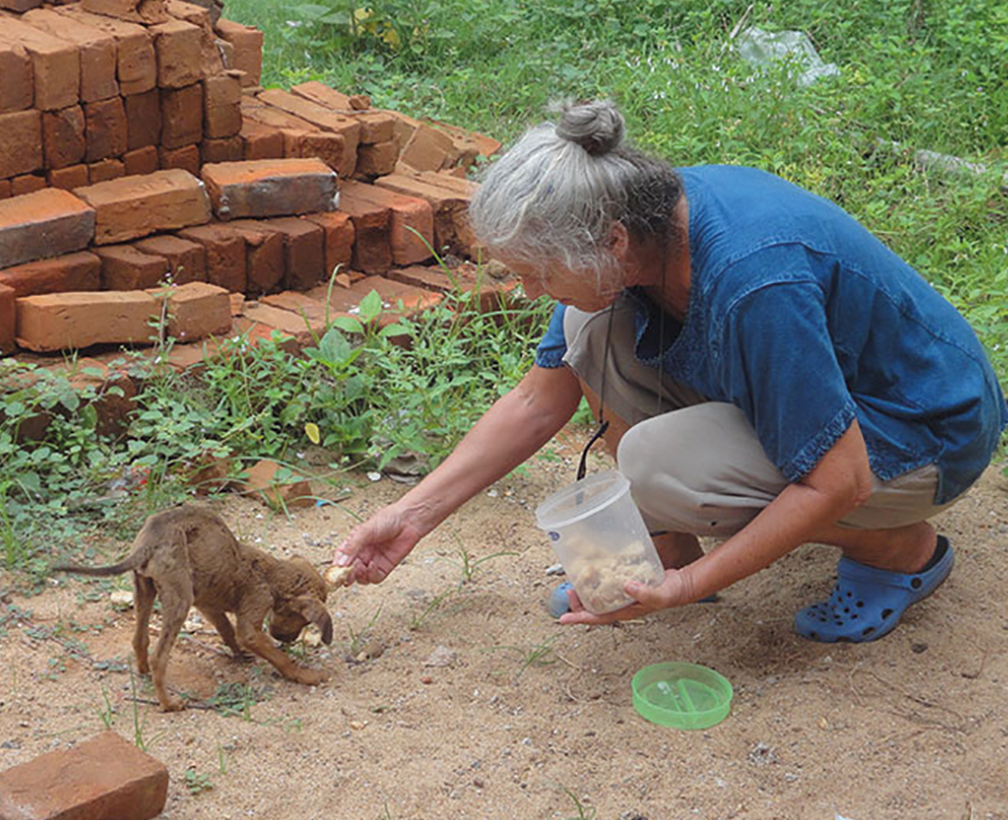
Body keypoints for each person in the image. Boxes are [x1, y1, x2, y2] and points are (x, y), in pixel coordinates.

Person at [332, 100, 1007, 643]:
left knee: (659, 465)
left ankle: (896, 547)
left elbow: (840, 478)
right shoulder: (626, 225)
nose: (529, 290)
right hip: (828, 398)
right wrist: (410, 515)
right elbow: (540, 402)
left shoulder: (752, 279)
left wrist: (683, 595)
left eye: (537, 271)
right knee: (584, 330)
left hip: (921, 431)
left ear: (612, 241)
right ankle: (670, 546)